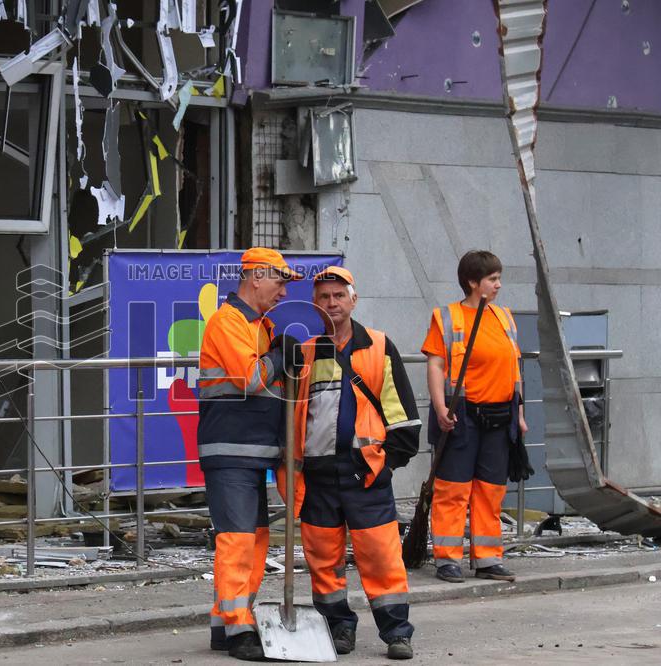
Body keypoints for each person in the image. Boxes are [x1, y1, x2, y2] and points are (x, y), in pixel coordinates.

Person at [280, 266, 420, 660]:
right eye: (323, 297)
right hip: (319, 475)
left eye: (338, 296)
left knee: (381, 556)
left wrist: (387, 464)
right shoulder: (305, 353)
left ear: (353, 299)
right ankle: (337, 628)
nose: (331, 303)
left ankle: (397, 632)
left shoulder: (378, 345)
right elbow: (291, 416)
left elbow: (404, 417)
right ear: (314, 304)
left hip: (366, 473)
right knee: (323, 561)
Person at [198, 247, 300, 661]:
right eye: (279, 281)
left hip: (251, 450)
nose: (282, 291)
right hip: (232, 449)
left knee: (253, 539)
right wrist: (278, 356)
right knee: (239, 540)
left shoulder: (259, 325)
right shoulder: (229, 322)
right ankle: (240, 628)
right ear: (256, 276)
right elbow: (252, 378)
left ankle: (226, 623)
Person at [421, 250, 527, 584]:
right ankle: (447, 559)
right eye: (492, 279)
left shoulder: (505, 317)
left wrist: (519, 414)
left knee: (491, 490)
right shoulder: (448, 317)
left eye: (498, 278)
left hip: (499, 417)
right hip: (462, 416)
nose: (498, 285)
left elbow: (514, 369)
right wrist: (440, 408)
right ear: (472, 282)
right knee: (453, 489)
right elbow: (436, 365)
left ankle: (487, 559)